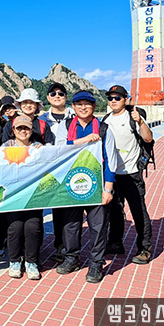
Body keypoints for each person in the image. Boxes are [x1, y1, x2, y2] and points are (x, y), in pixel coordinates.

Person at [54, 91, 120, 284]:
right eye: (79, 104)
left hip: (96, 184)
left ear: (94, 106)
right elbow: (59, 149)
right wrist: (84, 140)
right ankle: (71, 258)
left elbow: (110, 160)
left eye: (87, 104)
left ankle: (96, 263)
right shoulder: (66, 126)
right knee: (70, 225)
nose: (83, 107)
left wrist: (108, 189)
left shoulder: (104, 129)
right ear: (73, 107)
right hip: (71, 184)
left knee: (98, 226)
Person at [102, 85, 154, 265]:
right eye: (110, 98)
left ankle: (145, 249)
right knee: (115, 212)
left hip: (131, 174)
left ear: (126, 99)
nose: (113, 101)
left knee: (139, 212)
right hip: (113, 175)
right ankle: (115, 243)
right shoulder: (106, 119)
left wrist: (140, 122)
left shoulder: (133, 117)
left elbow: (148, 138)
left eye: (117, 98)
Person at [2, 115, 44, 280]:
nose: (23, 131)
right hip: (13, 195)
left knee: (33, 227)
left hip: (34, 195)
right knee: (15, 227)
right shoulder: (6, 147)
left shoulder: (38, 147)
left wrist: (43, 152)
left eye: (26, 128)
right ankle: (14, 261)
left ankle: (31, 262)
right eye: (19, 128)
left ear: (31, 130)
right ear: (13, 130)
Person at [38, 82, 75, 263]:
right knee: (54, 210)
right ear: (48, 97)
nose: (57, 96)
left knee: (70, 211)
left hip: (71, 169)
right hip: (49, 171)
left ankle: (69, 249)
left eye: (61, 93)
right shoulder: (42, 120)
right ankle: (57, 247)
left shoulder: (76, 116)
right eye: (53, 93)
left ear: (66, 97)